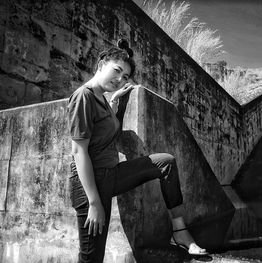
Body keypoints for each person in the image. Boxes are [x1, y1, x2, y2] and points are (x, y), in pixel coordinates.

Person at [67, 39, 207, 262]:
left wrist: (114, 103)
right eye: (117, 70)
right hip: (89, 186)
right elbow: (78, 152)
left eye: (125, 77)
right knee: (91, 258)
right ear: (101, 64)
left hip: (111, 175)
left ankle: (179, 232)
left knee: (166, 162)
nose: (119, 79)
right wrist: (94, 203)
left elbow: (108, 134)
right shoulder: (83, 96)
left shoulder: (102, 101)